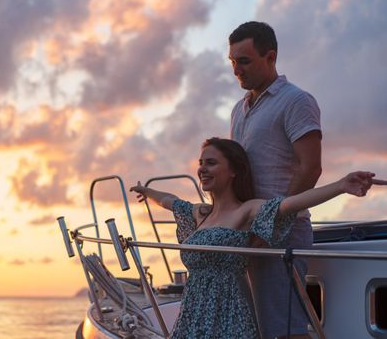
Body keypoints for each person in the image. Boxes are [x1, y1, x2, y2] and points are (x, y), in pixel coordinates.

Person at [130, 137, 384, 339]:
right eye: (201, 163)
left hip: (230, 313)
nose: (202, 169)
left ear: (233, 171)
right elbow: (169, 201)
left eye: (211, 163)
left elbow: (291, 204)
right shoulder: (199, 214)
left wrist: (340, 185)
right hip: (193, 314)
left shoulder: (247, 210)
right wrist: (147, 191)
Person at [228, 21, 322, 338]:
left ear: (270, 57)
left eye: (244, 61)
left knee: (285, 327)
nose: (236, 70)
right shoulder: (238, 110)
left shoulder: (297, 101)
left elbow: (310, 168)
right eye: (232, 62)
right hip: (249, 232)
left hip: (283, 233)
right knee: (259, 327)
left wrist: (272, 225)